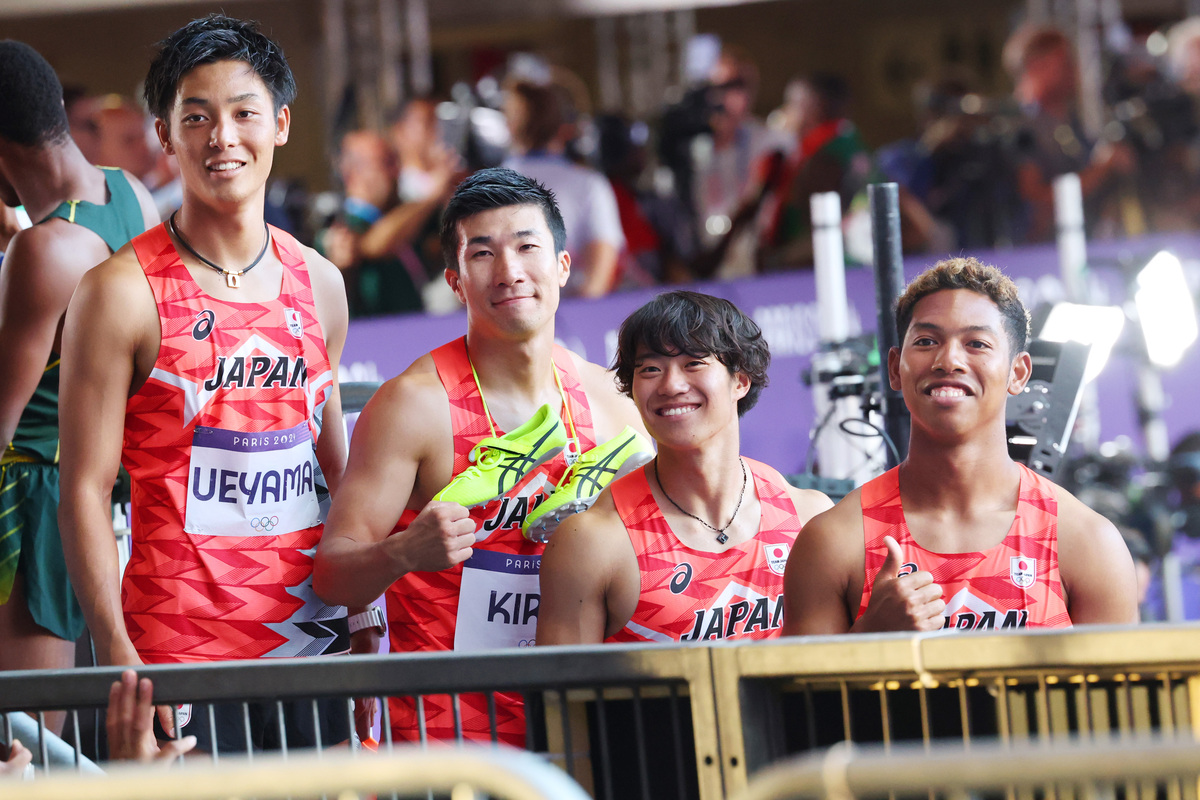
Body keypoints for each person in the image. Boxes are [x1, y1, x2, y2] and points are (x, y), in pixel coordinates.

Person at [57, 14, 373, 754]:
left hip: (311, 641)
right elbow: (83, 488)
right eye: (195, 117)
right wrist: (116, 653)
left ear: (281, 124)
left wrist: (365, 623)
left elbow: (336, 469)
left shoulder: (319, 283)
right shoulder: (117, 292)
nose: (221, 137)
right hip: (176, 651)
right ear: (165, 136)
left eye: (242, 114)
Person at [313, 167, 649, 745]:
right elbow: (332, 574)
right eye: (484, 254)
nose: (510, 271)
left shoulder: (612, 402)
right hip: (448, 739)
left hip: (580, 725)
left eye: (527, 247)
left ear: (563, 266)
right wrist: (405, 550)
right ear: (455, 280)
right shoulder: (413, 406)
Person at [782, 257, 1139, 634]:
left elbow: (1123, 692)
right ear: (894, 369)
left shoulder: (1086, 542)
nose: (949, 359)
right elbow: (798, 694)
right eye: (926, 341)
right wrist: (871, 637)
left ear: (1018, 373)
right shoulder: (834, 542)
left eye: (977, 344)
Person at [0, 40, 158, 704]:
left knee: (28, 747)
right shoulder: (130, 192)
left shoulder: (44, 252)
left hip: (32, 501)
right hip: (101, 494)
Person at [537, 291, 830, 644]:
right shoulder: (590, 541)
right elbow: (561, 696)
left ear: (740, 380)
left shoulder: (808, 517)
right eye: (650, 369)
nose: (671, 385)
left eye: (694, 363)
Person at [502, 80, 624, 298]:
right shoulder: (590, 184)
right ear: (566, 127)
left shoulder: (483, 187)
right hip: (569, 320)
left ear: (509, 125)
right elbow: (598, 276)